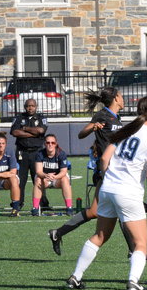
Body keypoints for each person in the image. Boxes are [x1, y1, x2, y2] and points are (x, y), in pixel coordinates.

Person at [66, 96, 147, 290]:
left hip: (108, 188)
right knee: (140, 242)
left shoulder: (124, 130)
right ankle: (133, 282)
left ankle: (75, 277)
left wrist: (108, 177)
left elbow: (104, 159)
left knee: (99, 236)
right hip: (128, 192)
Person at [48, 87, 127, 256]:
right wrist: (93, 127)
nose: (123, 98)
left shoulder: (117, 118)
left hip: (114, 170)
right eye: (121, 95)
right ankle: (134, 250)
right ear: (115, 98)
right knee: (121, 207)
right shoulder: (102, 115)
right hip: (106, 170)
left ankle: (58, 233)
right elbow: (81, 133)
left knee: (94, 211)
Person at [10, 98, 48, 211]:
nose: (30, 108)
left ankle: (43, 203)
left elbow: (41, 131)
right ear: (24, 107)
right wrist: (33, 134)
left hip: (37, 152)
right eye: (27, 106)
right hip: (22, 152)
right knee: (21, 179)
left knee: (38, 178)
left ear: (36, 106)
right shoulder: (19, 118)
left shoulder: (41, 118)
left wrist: (25, 129)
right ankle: (18, 203)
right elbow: (14, 132)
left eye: (32, 106)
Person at [32, 134, 73, 216]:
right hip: (45, 179)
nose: (50, 144)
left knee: (65, 179)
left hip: (57, 179)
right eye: (48, 142)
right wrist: (46, 176)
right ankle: (35, 208)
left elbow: (63, 171)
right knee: (38, 179)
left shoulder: (61, 154)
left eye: (52, 143)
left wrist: (55, 177)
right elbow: (38, 171)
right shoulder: (40, 154)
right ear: (44, 144)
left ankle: (69, 207)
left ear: (56, 144)